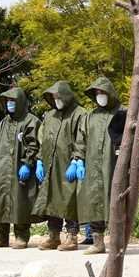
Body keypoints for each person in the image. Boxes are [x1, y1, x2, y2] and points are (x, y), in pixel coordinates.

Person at [0, 87, 41, 248]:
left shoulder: (30, 121)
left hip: (19, 168)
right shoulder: (3, 123)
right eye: (7, 101)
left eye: (12, 101)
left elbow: (34, 145)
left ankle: (21, 236)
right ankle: (0, 236)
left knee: (20, 201)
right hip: (1, 169)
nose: (9, 104)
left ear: (20, 102)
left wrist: (28, 163)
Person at [34, 81, 87, 251]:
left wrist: (76, 160)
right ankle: (53, 236)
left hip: (68, 164)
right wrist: (40, 160)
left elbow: (82, 138)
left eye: (58, 96)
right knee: (51, 200)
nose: (56, 100)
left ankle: (72, 237)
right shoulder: (50, 115)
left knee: (70, 200)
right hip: (51, 164)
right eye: (53, 97)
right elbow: (44, 139)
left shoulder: (80, 113)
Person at [73, 77, 123, 256]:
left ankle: (117, 243)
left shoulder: (121, 114)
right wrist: (77, 160)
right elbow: (81, 141)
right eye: (97, 93)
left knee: (116, 203)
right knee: (94, 202)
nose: (100, 96)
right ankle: (98, 242)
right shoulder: (90, 117)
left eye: (103, 92)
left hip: (115, 166)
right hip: (93, 168)